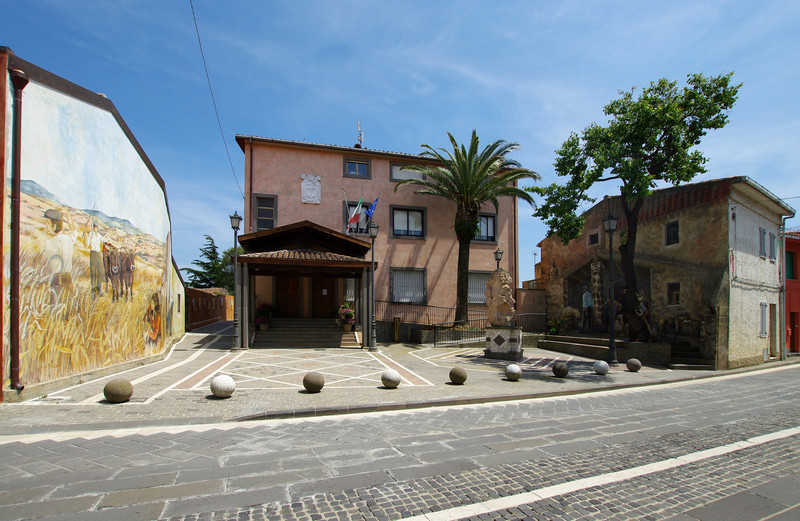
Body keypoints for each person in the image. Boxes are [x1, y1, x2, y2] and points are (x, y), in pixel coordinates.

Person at [44, 208, 79, 312]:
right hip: (68, 279)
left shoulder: (50, 243)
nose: (46, 227)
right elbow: (73, 230)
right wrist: (67, 214)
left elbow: (51, 267)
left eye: (48, 224)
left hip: (57, 280)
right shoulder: (68, 239)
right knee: (70, 309)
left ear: (54, 226)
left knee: (55, 312)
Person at [86, 223, 105, 297]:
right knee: (93, 272)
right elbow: (87, 244)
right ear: (94, 227)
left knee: (100, 272)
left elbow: (103, 241)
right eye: (96, 227)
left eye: (97, 227)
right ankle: (93, 291)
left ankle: (99, 288)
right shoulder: (91, 234)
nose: (96, 228)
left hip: (98, 254)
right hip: (93, 253)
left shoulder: (99, 235)